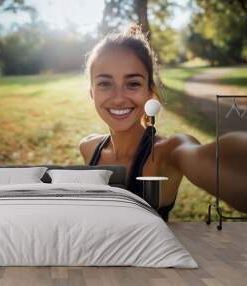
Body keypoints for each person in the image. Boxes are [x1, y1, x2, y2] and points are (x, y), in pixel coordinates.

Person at [79, 24, 247, 221]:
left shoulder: (167, 153)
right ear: (92, 92)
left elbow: (214, 160)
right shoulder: (88, 148)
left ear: (150, 91)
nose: (118, 98)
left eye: (133, 83)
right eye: (105, 84)